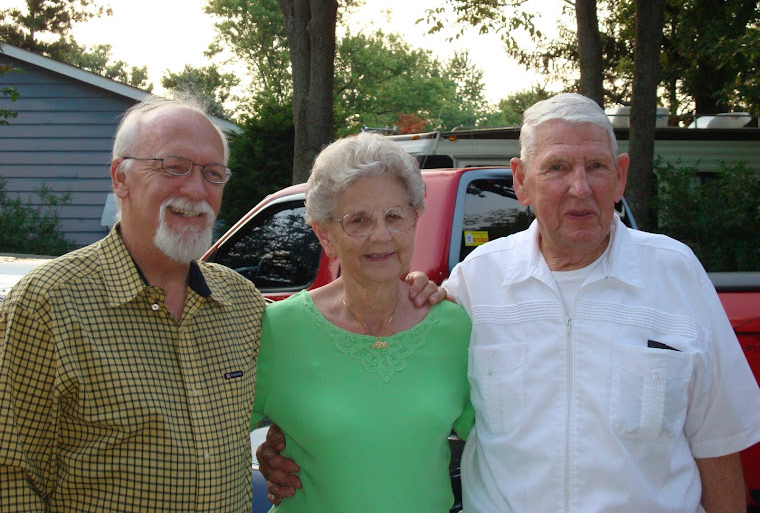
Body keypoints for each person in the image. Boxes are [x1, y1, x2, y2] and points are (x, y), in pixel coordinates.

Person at [261, 93, 760, 512]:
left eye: (596, 167)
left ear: (621, 176)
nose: (579, 187)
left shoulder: (675, 274)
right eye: (557, 168)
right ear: (521, 180)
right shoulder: (477, 283)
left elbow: (717, 444)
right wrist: (290, 444)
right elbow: (382, 361)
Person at [0, 96, 267, 512]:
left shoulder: (242, 304)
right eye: (174, 167)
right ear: (120, 178)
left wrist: (405, 296)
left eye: (213, 174)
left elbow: (298, 405)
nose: (197, 190)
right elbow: (12, 475)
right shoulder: (48, 305)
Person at [250, 132, 473, 511]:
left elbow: (500, 440)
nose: (381, 235)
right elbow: (208, 437)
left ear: (416, 218)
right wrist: (263, 461)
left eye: (394, 216)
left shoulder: (454, 327)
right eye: (358, 220)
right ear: (325, 234)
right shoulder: (277, 329)